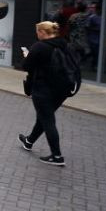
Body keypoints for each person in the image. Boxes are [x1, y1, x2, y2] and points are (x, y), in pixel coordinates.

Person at [18, 21, 71, 166]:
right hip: (62, 90)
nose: (37, 34)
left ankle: (57, 156)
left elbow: (26, 66)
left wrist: (27, 56)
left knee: (48, 120)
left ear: (42, 32)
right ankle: (29, 141)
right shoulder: (64, 44)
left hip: (43, 89)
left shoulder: (39, 47)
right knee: (44, 116)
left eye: (37, 32)